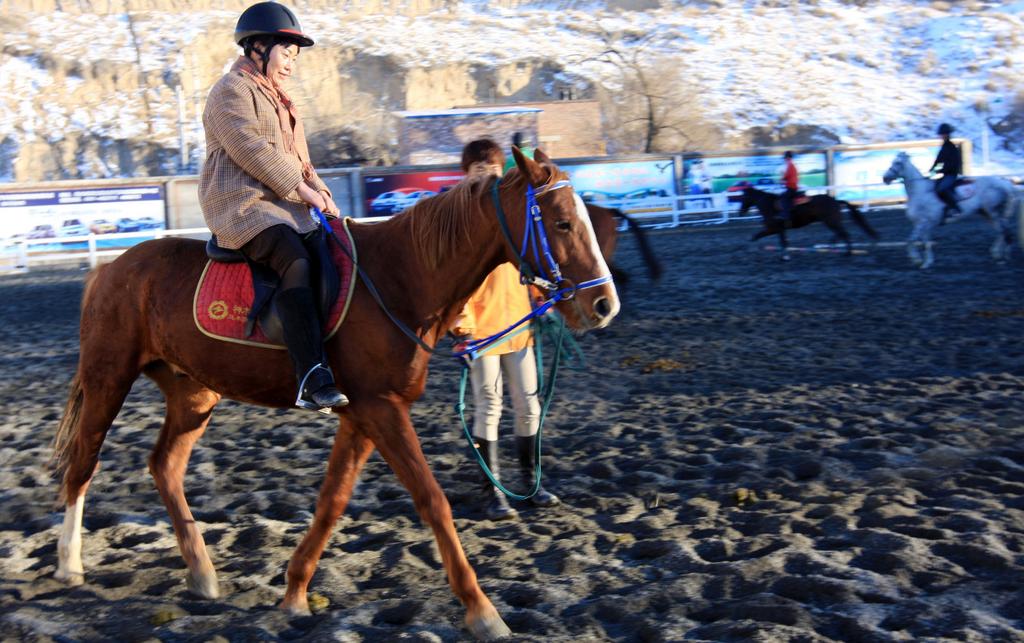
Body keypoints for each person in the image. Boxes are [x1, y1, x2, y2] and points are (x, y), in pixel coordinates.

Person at [198, 2, 346, 412]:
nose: (291, 65)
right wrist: (305, 192)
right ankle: (311, 375)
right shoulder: (230, 90)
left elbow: (302, 162)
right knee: (294, 259)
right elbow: (251, 149)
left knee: (338, 250)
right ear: (258, 48)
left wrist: (326, 197)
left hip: (285, 204)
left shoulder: (282, 101)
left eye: (295, 57)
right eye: (286, 53)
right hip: (243, 204)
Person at [453, 138, 559, 521]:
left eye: (493, 171)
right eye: (478, 171)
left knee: (530, 404)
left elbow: (526, 262)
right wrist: (462, 326)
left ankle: (531, 484)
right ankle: (493, 493)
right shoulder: (460, 220)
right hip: (481, 333)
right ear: (465, 175)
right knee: (489, 407)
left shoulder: (508, 217)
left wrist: (539, 297)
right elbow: (456, 282)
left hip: (518, 326)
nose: (486, 178)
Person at [930, 123, 962, 223]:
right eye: (941, 134)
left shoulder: (952, 148)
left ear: (947, 134)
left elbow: (953, 164)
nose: (941, 136)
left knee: (941, 190)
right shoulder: (944, 147)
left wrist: (941, 170)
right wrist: (932, 171)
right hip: (945, 174)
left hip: (951, 174)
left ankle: (955, 208)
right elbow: (938, 161)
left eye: (942, 134)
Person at [778, 150, 799, 224]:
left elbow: (787, 175)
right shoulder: (791, 165)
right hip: (792, 186)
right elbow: (788, 176)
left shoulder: (790, 165)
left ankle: (786, 215)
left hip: (791, 187)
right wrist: (783, 180)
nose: (785, 159)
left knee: (784, 198)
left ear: (788, 157)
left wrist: (782, 180)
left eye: (785, 158)